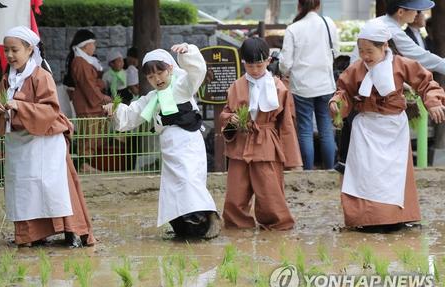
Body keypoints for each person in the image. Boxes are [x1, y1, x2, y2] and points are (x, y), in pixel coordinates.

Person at [329, 19, 445, 230]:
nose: (365, 56)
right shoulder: (357, 69)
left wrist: (434, 102)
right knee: (366, 176)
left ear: (384, 46)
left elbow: (427, 83)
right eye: (361, 50)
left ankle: (395, 218)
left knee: (393, 176)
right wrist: (337, 104)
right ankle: (365, 219)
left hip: (393, 129)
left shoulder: (402, 64)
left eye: (369, 51)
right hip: (366, 128)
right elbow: (343, 91)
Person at [0, 26, 96, 247]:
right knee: (25, 190)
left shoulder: (41, 76)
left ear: (29, 49)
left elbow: (50, 110)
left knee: (55, 188)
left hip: (47, 142)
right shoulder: (7, 79)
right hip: (20, 145)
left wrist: (19, 106)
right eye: (6, 50)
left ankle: (71, 231)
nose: (9, 55)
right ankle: (31, 235)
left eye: (14, 50)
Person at [103, 43, 220, 239]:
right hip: (170, 147)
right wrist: (114, 109)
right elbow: (131, 114)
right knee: (173, 187)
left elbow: (196, 71)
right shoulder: (151, 98)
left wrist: (188, 52)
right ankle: (183, 228)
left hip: (188, 143)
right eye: (151, 76)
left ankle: (205, 222)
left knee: (189, 181)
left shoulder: (183, 85)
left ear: (171, 68)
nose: (156, 79)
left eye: (160, 73)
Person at [220, 37, 302, 230]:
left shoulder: (279, 88)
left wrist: (291, 159)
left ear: (268, 61)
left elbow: (287, 124)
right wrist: (229, 119)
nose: (255, 70)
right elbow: (225, 112)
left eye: (259, 65)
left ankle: (277, 225)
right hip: (240, 143)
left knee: (270, 191)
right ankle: (237, 226)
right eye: (250, 66)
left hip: (267, 144)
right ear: (243, 64)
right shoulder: (236, 86)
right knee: (236, 191)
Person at [278, 0, 338, 170]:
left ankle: (308, 171)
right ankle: (330, 169)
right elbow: (337, 51)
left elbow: (285, 64)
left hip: (302, 85)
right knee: (326, 129)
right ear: (318, 5)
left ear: (299, 5)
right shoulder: (328, 23)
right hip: (326, 84)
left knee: (305, 130)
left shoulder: (293, 28)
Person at [64, 29, 112, 173]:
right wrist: (103, 97)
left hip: (91, 103)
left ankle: (89, 165)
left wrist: (99, 84)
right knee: (89, 138)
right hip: (87, 105)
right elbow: (88, 85)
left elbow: (91, 83)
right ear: (86, 45)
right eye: (93, 44)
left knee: (95, 137)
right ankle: (84, 166)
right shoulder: (80, 62)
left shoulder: (84, 61)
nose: (94, 47)